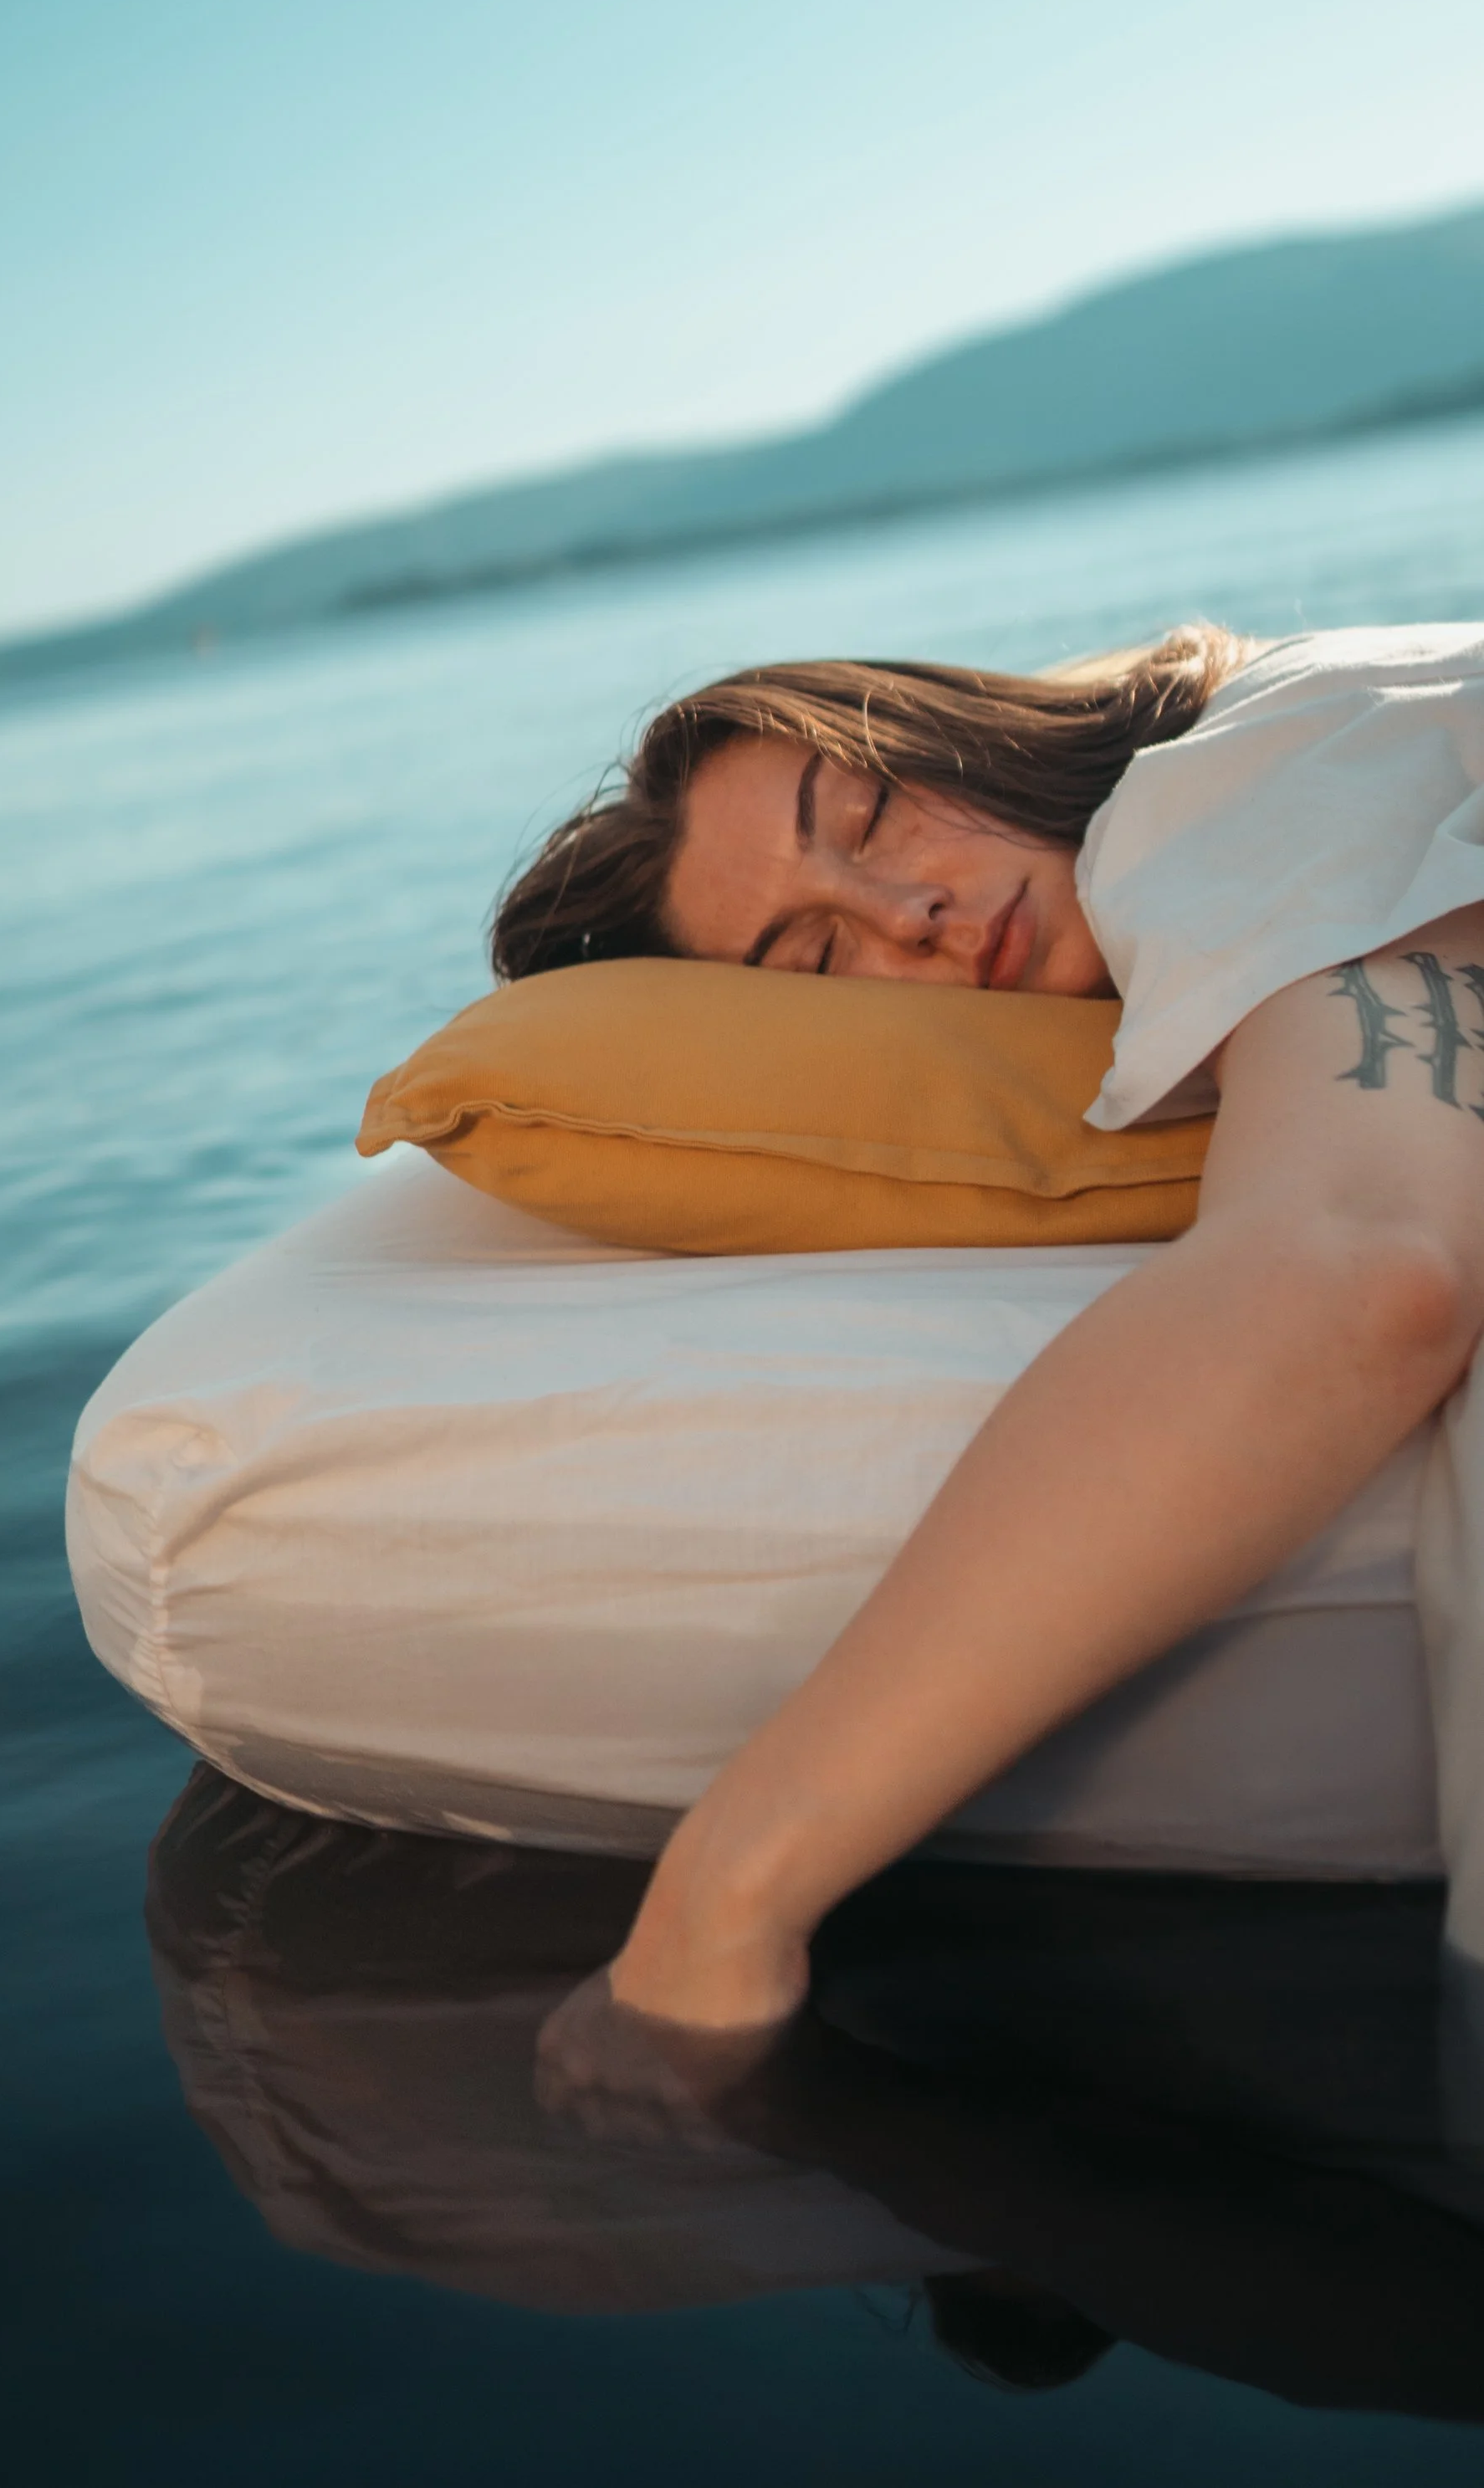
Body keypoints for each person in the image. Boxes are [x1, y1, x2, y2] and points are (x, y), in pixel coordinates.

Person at [514, 622, 1484, 2104]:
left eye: (872, 816)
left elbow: (1360, 1259)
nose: (908, 913)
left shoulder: (1233, 776)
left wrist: (721, 1901)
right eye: (821, 956)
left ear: (941, 726)